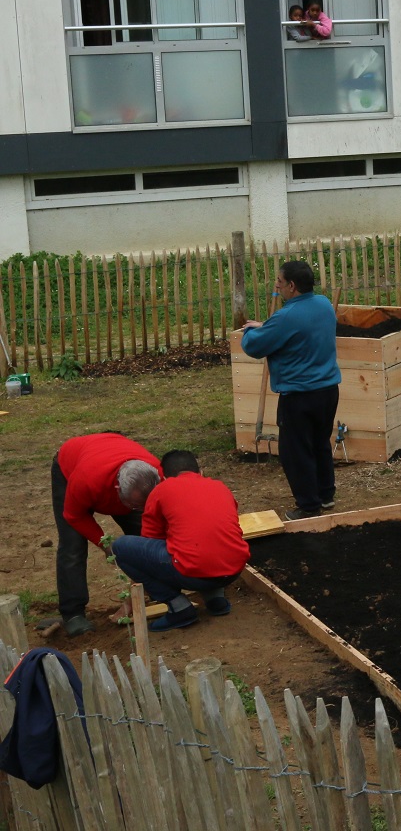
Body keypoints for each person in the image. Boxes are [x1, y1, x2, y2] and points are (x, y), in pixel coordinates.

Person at [240, 260, 341, 520]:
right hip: (328, 390)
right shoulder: (323, 304)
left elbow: (254, 347)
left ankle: (308, 505)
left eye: (279, 284)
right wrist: (270, 326)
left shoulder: (286, 316)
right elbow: (298, 330)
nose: (278, 288)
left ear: (292, 286)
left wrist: (250, 331)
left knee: (296, 451)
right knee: (320, 443)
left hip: (299, 396)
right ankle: (326, 495)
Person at [111, 451, 250, 632]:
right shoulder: (220, 487)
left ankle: (179, 608)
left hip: (194, 573)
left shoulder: (161, 490)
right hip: (233, 570)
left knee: (121, 547)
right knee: (206, 546)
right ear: (200, 471)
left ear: (166, 477)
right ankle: (215, 600)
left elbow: (150, 541)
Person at [50, 432, 162, 636]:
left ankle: (157, 591)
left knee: (148, 541)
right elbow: (74, 516)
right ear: (118, 490)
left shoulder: (155, 472)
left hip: (107, 457)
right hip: (71, 468)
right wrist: (105, 544)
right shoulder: (86, 481)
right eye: (135, 505)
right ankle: (73, 613)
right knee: (72, 545)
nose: (140, 509)